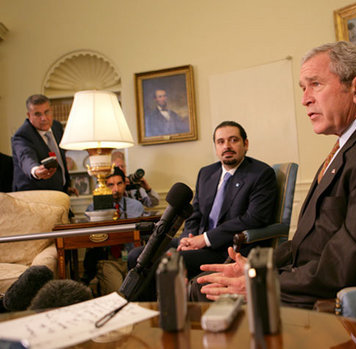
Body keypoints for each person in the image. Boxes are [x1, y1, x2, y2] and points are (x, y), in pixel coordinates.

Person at [195, 41, 356, 309]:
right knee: (202, 284)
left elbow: (355, 262)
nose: (305, 99)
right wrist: (255, 267)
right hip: (309, 283)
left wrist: (260, 283)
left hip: (335, 306)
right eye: (303, 88)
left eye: (316, 85)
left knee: (201, 292)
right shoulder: (354, 143)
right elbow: (306, 242)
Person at [127, 120, 277, 299]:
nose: (226, 146)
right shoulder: (206, 173)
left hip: (228, 248)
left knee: (165, 261)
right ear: (215, 147)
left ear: (246, 144)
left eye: (233, 140)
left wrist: (204, 240)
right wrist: (187, 239)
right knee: (137, 255)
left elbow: (254, 218)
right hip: (198, 242)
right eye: (220, 142)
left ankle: (155, 313)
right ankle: (144, 311)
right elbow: (195, 213)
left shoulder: (260, 174)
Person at [82, 167, 145, 295]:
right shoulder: (93, 208)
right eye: (111, 185)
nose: (116, 189)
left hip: (133, 258)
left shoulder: (136, 206)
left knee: (136, 294)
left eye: (119, 184)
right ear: (104, 186)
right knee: (117, 295)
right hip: (108, 259)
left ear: (125, 184)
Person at [11, 94, 77, 195]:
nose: (44, 118)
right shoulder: (22, 135)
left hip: (58, 193)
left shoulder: (56, 127)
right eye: (37, 114)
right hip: (33, 198)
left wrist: (65, 186)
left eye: (47, 112)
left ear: (51, 110)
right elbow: (25, 156)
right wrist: (36, 170)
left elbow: (60, 160)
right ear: (29, 115)